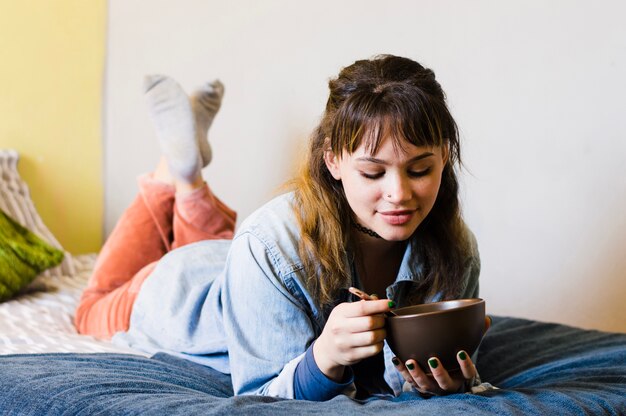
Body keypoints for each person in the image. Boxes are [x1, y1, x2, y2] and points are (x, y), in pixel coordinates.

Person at [75, 54, 485, 401]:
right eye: (373, 174)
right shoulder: (270, 242)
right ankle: (175, 172)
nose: (399, 194)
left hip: (235, 261)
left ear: (444, 156)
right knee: (90, 307)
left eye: (419, 169)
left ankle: (186, 172)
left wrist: (444, 384)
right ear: (333, 162)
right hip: (176, 288)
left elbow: (409, 383)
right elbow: (260, 394)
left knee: (235, 244)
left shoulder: (455, 248)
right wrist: (322, 358)